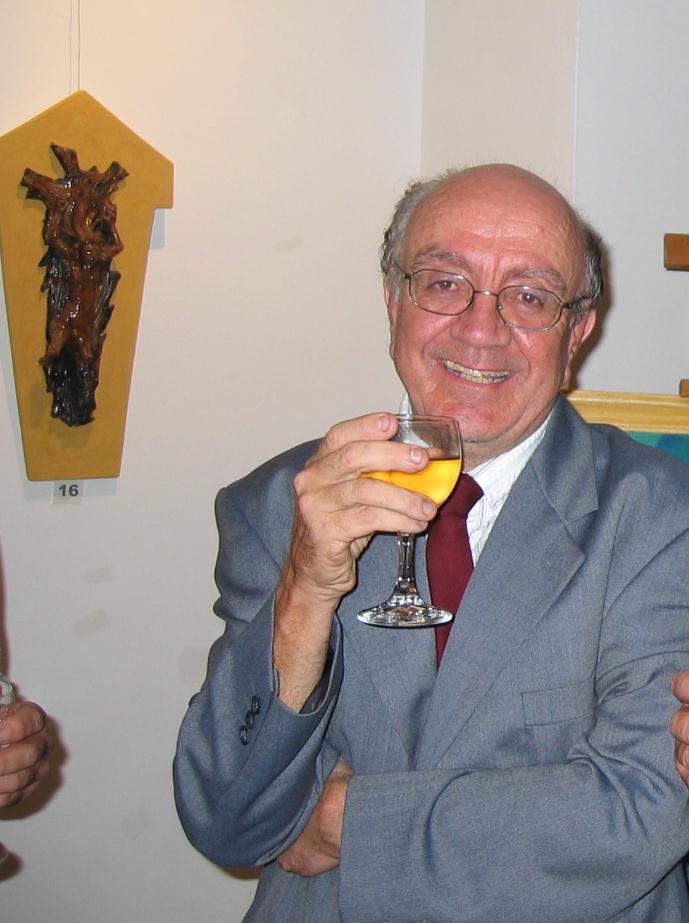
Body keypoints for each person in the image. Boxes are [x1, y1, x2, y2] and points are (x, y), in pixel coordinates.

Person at [174, 164, 689, 921]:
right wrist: (305, 589)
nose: (481, 329)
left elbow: (638, 813)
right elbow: (229, 818)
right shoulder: (279, 506)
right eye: (444, 283)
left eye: (529, 296)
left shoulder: (661, 512)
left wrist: (347, 822)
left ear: (577, 330)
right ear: (393, 299)